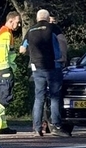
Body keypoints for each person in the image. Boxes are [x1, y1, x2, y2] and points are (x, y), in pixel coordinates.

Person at [24, 9, 69, 137]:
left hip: (37, 68)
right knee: (55, 97)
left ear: (37, 18)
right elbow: (62, 41)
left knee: (39, 98)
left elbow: (22, 49)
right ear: (48, 18)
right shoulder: (53, 28)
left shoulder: (31, 30)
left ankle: (37, 128)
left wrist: (32, 54)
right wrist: (63, 57)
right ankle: (56, 126)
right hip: (53, 66)